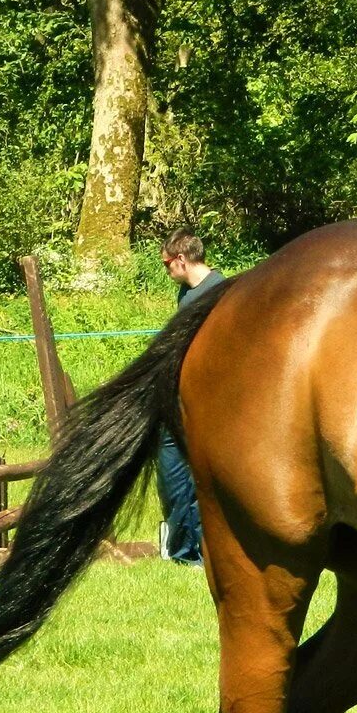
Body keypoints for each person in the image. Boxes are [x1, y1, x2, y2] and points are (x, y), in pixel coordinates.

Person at [155, 229, 224, 563]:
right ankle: (181, 546)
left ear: (181, 259)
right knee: (171, 478)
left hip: (204, 403)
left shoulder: (218, 293)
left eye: (167, 264)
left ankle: (188, 552)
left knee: (194, 481)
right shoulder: (186, 292)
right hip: (176, 397)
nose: (167, 271)